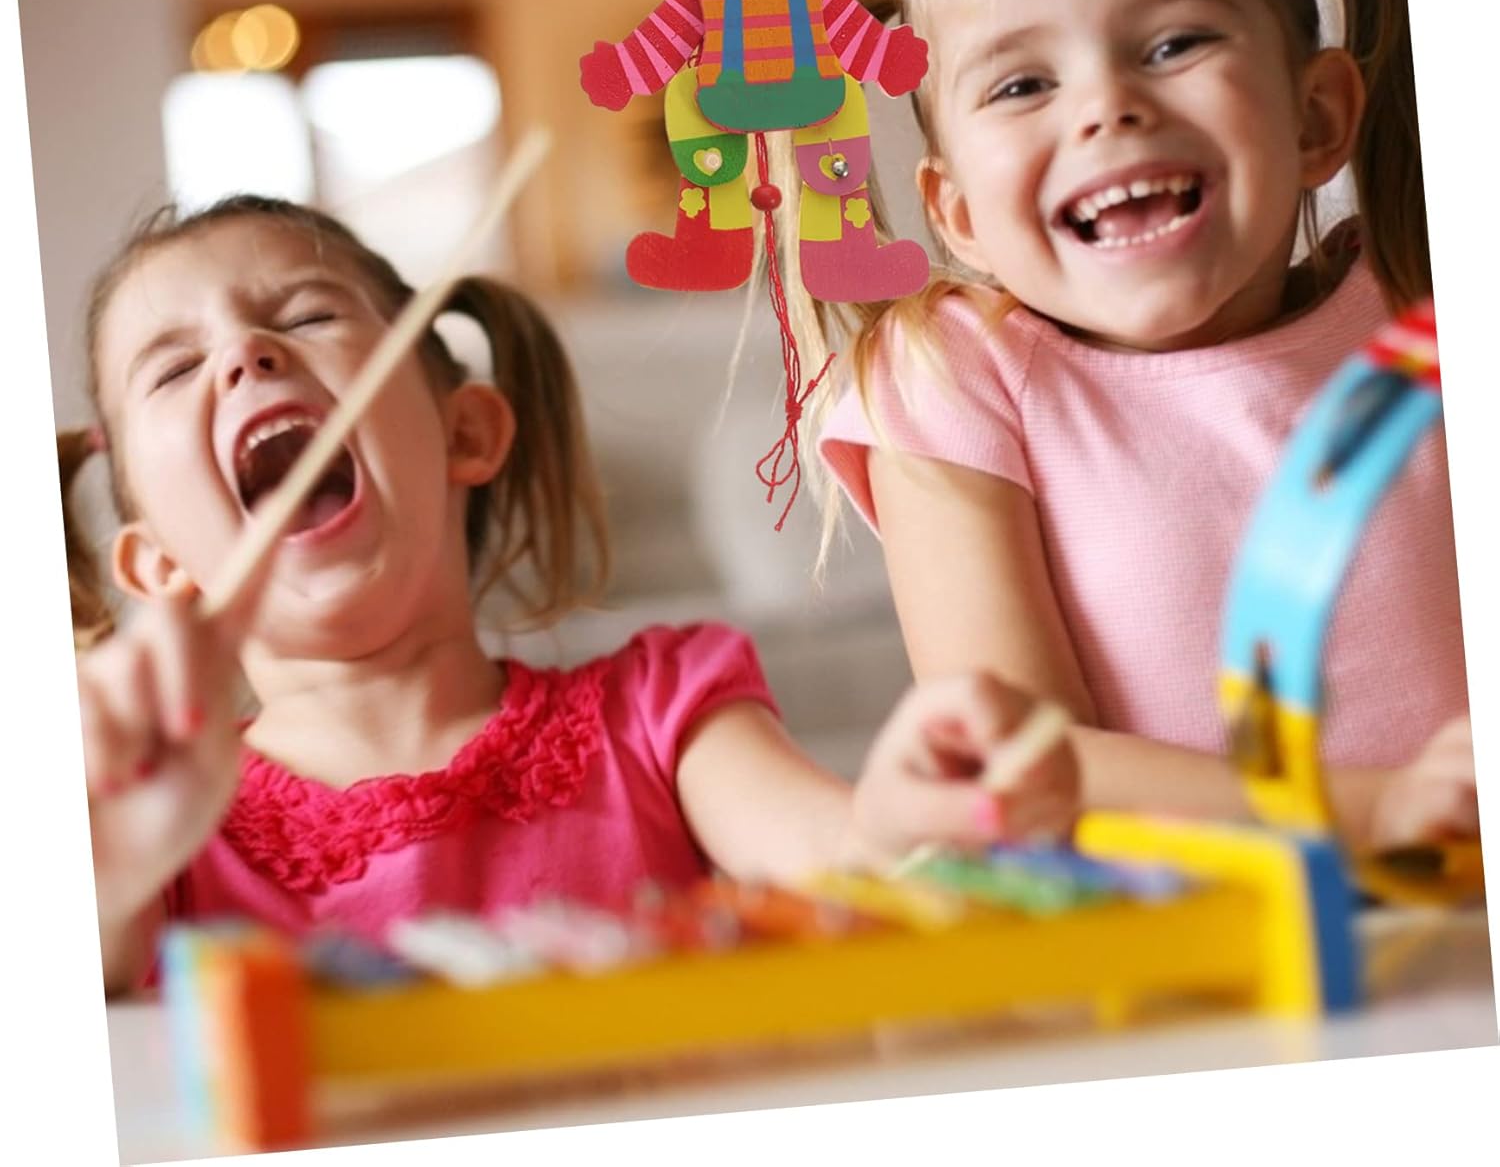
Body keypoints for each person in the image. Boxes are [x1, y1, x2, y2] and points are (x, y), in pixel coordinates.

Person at [64, 195, 1078, 996]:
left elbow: (838, 855)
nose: (246, 355)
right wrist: (112, 863)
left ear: (466, 433)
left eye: (308, 315)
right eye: (175, 369)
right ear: (160, 567)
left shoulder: (662, 713)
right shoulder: (159, 839)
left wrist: (899, 823)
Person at [815, 0, 1474, 854]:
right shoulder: (953, 375)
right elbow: (1023, 759)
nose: (1108, 107)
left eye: (1175, 46)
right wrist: (1379, 812)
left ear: (1314, 118)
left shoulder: (1430, 309)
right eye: (1022, 85)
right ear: (961, 216)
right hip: (1187, 935)